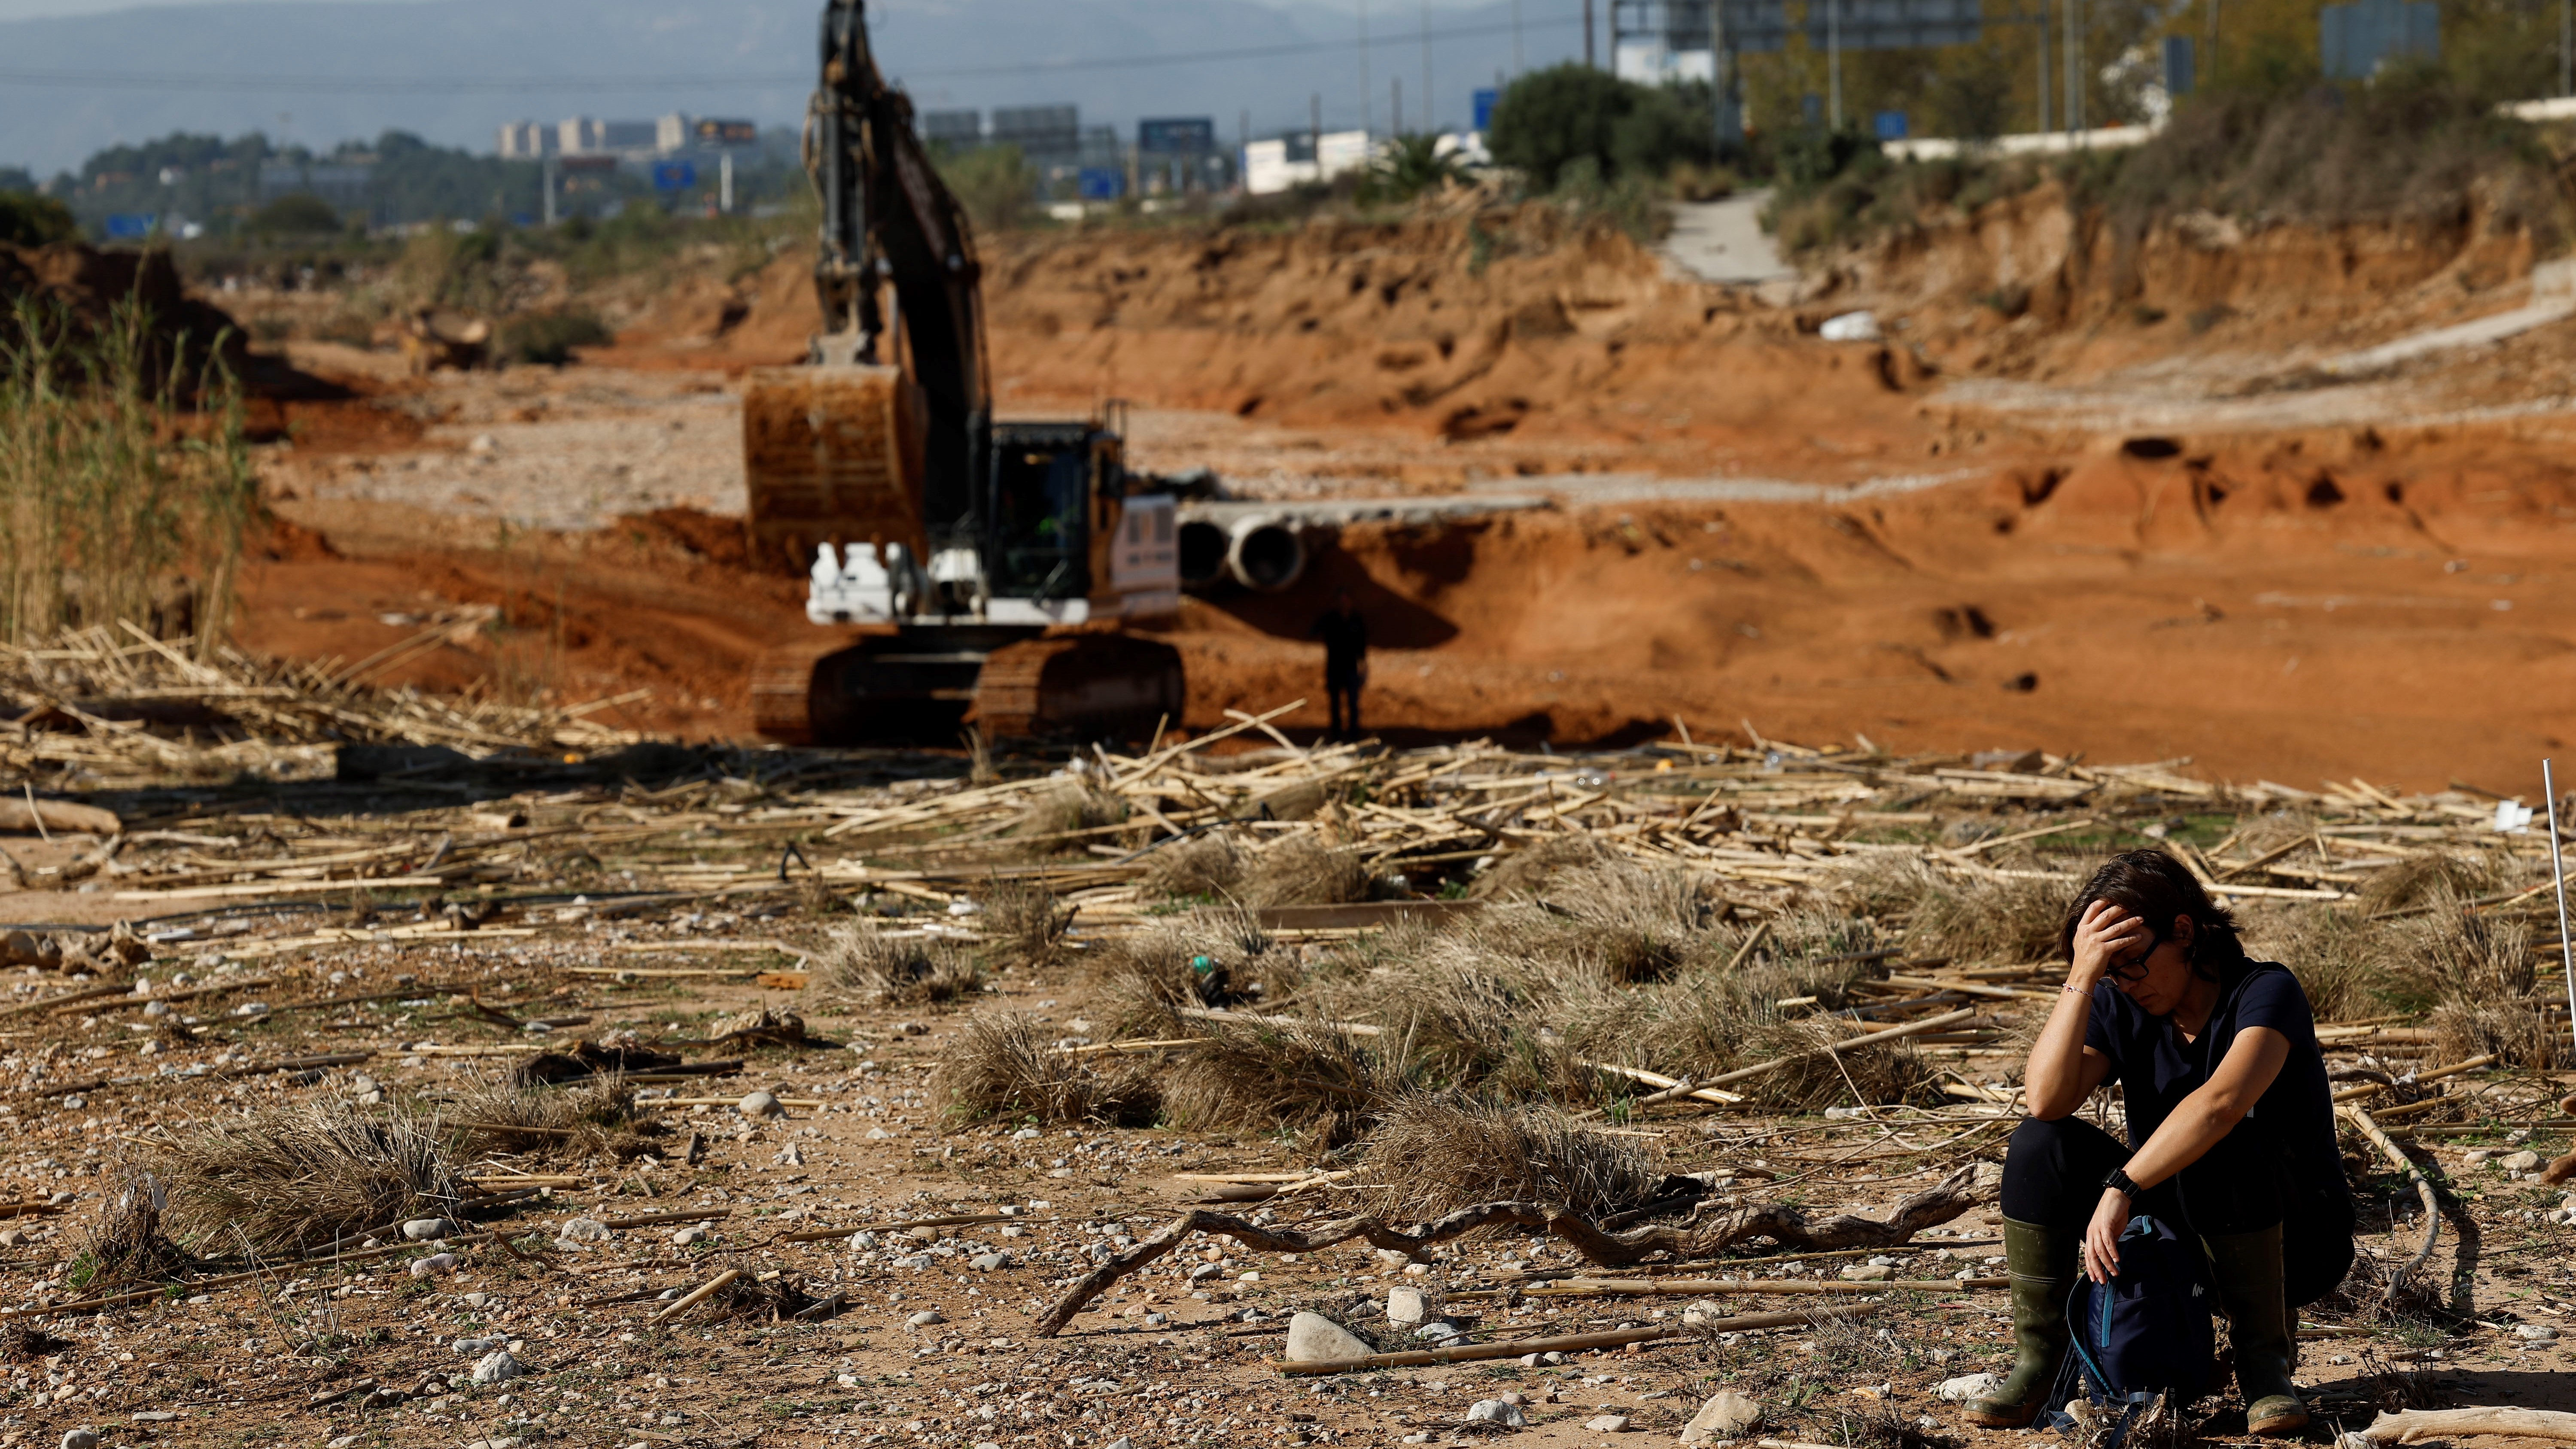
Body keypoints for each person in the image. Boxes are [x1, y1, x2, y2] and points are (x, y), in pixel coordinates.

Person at [1965, 850, 2351, 1437]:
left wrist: (2122, 1185)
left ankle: (2264, 1369)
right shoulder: (2121, 999)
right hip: (2182, 1229)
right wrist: (2081, 978)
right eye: (2109, 970)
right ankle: (2038, 1365)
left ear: (2182, 931)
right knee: (2038, 1143)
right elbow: (2045, 1098)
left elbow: (2219, 1103)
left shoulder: (2265, 991)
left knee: (2227, 1139)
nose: (2123, 982)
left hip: (2292, 1236)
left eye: (2131, 964)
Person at [1311, 589, 1368, 741]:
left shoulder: (1356, 620)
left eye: (1346, 601)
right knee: (1335, 704)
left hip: (1351, 668)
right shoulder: (1330, 619)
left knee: (1353, 703)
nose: (1344, 604)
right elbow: (1313, 632)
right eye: (1341, 601)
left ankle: (1354, 735)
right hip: (1334, 669)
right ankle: (1336, 735)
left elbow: (1362, 648)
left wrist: (1364, 669)